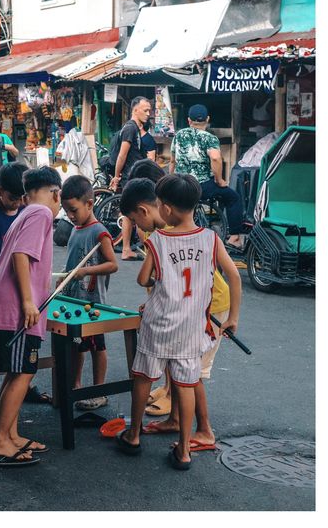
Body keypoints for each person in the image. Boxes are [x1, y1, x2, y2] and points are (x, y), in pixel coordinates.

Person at [116, 174, 241, 470]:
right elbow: (233, 276)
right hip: (192, 328)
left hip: (158, 324)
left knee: (145, 377)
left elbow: (143, 278)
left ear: (168, 209)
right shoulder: (210, 239)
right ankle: (184, 451)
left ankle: (133, 435)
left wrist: (160, 277)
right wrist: (233, 318)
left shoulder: (158, 240)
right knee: (186, 384)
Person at [0, 166, 62, 467]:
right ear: (56, 194)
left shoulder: (24, 214)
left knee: (17, 372)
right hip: (15, 306)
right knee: (24, 372)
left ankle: (10, 434)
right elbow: (21, 256)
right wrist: (29, 302)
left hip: (3, 301)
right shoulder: (41, 214)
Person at [0, 163, 51, 414]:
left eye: (20, 198)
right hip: (2, 288)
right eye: (11, 197)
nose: (16, 203)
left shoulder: (25, 212)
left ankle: (21, 389)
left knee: (21, 354)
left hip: (16, 288)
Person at [60, 175, 118, 410]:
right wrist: (63, 279)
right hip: (75, 303)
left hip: (93, 305)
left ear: (90, 204)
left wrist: (86, 271)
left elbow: (113, 264)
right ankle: (76, 386)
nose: (71, 216)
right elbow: (71, 263)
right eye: (67, 211)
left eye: (74, 210)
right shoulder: (76, 230)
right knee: (77, 344)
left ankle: (99, 391)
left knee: (97, 347)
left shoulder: (99, 232)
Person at [170, 104, 244, 249]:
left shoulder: (179, 135)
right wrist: (219, 180)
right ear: (208, 119)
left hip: (180, 184)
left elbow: (172, 160)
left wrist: (171, 180)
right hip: (201, 186)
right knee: (233, 197)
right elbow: (215, 158)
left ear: (189, 120)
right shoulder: (210, 138)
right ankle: (234, 236)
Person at [109, 96, 151, 261]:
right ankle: (148, 252)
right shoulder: (130, 129)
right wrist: (117, 176)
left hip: (133, 176)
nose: (148, 114)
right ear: (135, 110)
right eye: (145, 110)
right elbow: (122, 155)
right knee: (141, 214)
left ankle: (127, 249)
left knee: (129, 214)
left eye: (149, 110)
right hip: (130, 177)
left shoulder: (136, 128)